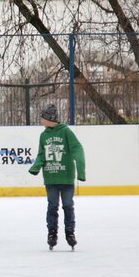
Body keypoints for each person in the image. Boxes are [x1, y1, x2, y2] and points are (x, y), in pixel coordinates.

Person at [28, 104, 86, 250]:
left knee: (68, 205)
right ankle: (52, 233)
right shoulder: (44, 135)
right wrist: (36, 167)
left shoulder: (66, 132)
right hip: (51, 178)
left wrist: (81, 170)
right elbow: (42, 154)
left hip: (66, 178)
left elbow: (77, 149)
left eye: (42, 118)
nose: (41, 120)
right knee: (52, 206)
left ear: (49, 118)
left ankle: (70, 232)